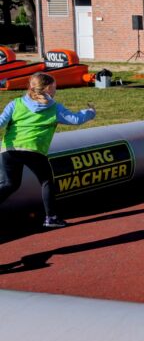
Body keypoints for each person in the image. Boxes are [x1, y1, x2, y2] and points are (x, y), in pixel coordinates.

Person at [0, 72, 95, 228]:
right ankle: (51, 218)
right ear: (47, 89)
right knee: (47, 182)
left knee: (9, 184)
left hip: (9, 149)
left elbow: (1, 122)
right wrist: (90, 112)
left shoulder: (15, 103)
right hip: (34, 150)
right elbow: (75, 119)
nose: (55, 90)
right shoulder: (54, 108)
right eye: (54, 87)